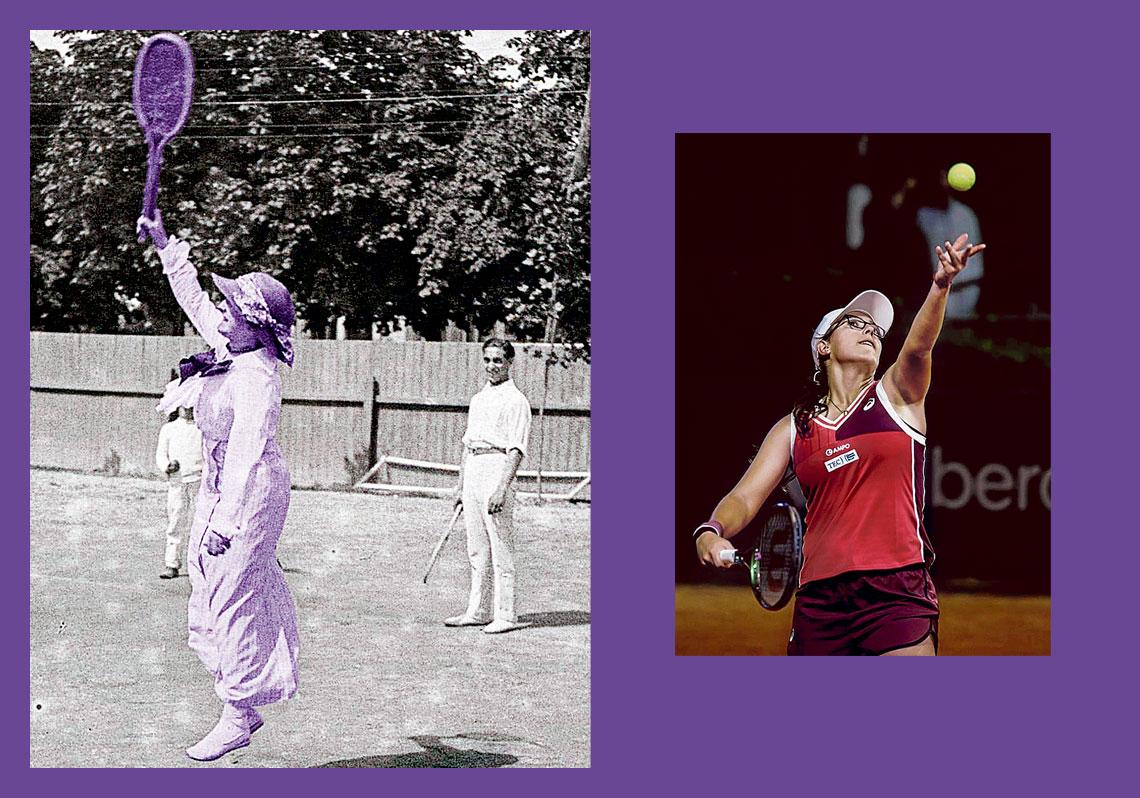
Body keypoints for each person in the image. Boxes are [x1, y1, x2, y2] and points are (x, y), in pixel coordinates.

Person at [694, 233, 984, 656]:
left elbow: (919, 348)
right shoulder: (794, 428)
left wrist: (940, 287)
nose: (870, 331)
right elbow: (743, 497)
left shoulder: (896, 396)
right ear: (823, 347)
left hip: (896, 591)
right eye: (855, 323)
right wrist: (711, 531)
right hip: (820, 601)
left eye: (876, 330)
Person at [138, 210, 300, 760]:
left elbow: (250, 454)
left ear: (256, 324)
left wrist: (227, 522)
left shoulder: (257, 378)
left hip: (250, 493)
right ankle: (241, 704)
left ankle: (237, 711)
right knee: (206, 594)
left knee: (232, 596)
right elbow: (192, 299)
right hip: (218, 485)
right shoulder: (235, 347)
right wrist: (166, 246)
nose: (222, 314)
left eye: (232, 309)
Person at [446, 338, 532, 635]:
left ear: (509, 362)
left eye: (498, 360)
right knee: (477, 549)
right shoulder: (478, 398)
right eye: (487, 359)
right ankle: (478, 611)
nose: (491, 366)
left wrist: (502, 488)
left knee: (500, 547)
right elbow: (467, 444)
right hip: (474, 470)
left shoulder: (516, 400)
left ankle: (505, 615)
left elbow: (516, 449)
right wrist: (460, 486)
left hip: (497, 470)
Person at [155, 404, 203, 579]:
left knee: (201, 522)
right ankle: (172, 563)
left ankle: (201, 564)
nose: (188, 409)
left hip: (199, 481)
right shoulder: (169, 429)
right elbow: (161, 455)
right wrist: (167, 466)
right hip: (177, 482)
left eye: (191, 405)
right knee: (176, 521)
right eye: (184, 405)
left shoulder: (203, 428)